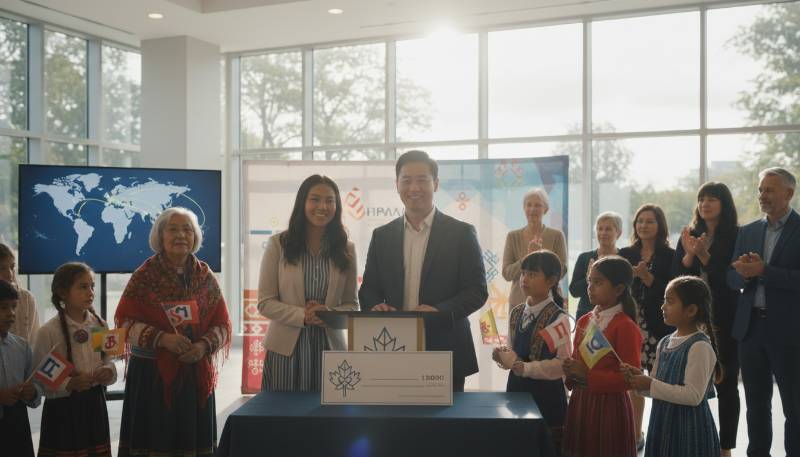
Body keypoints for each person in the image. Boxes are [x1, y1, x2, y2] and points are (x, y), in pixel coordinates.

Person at [359, 150, 488, 392]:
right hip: (392, 349)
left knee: (445, 418)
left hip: (446, 350)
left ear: (435, 184)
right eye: (406, 180)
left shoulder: (461, 233)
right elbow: (368, 290)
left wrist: (439, 311)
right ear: (397, 185)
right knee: (392, 415)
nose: (414, 188)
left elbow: (477, 291)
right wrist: (376, 306)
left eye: (422, 180)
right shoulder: (382, 236)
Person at [116, 207, 231, 457]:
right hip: (151, 377)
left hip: (194, 374)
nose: (181, 235)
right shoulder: (144, 276)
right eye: (173, 229)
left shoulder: (205, 276)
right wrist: (162, 339)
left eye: (187, 230)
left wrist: (202, 346)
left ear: (195, 237)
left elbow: (222, 325)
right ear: (160, 236)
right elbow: (124, 323)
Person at [258, 175, 358, 392]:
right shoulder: (278, 244)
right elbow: (265, 303)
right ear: (302, 202)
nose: (323, 206)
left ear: (337, 207)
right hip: (285, 352)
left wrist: (329, 314)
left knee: (329, 413)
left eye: (330, 201)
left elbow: (352, 306)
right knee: (283, 411)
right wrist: (303, 315)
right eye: (315, 199)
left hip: (331, 350)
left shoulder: (346, 249)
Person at [727, 167, 800, 457]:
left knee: (794, 407)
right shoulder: (748, 231)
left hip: (789, 331)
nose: (762, 195)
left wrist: (764, 271)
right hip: (751, 329)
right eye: (760, 190)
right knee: (756, 405)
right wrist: (743, 274)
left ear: (789, 193)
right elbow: (730, 278)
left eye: (769, 190)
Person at [671, 182, 740, 456]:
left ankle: (725, 448)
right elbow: (676, 278)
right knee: (687, 382)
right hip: (691, 319)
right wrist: (690, 255)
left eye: (712, 199)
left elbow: (731, 280)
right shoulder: (689, 234)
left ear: (724, 204)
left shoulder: (736, 236)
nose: (705, 204)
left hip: (724, 317)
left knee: (726, 384)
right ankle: (688, 442)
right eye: (701, 199)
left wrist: (704, 256)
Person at [623, 276, 722, 457]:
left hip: (688, 429)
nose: (663, 307)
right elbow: (656, 386)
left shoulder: (699, 346)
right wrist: (639, 381)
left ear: (691, 310)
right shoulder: (664, 342)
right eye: (664, 301)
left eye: (670, 301)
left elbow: (693, 396)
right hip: (662, 424)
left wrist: (650, 384)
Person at [561, 256, 642, 457]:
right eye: (590, 281)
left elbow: (630, 378)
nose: (590, 287)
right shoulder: (584, 320)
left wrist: (588, 375)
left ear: (619, 289)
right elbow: (577, 360)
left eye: (598, 282)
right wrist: (570, 370)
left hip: (609, 407)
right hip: (581, 401)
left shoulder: (625, 326)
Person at [34, 262, 116, 457]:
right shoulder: (48, 332)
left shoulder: (100, 324)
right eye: (83, 287)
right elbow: (40, 377)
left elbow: (109, 360)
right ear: (62, 292)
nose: (90, 292)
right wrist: (70, 383)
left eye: (92, 286)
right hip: (62, 410)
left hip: (95, 405)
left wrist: (108, 372)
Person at [493, 250, 570, 452]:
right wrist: (502, 356)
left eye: (533, 274)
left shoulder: (559, 318)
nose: (524, 279)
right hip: (517, 391)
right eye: (523, 273)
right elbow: (512, 351)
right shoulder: (516, 312)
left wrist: (525, 368)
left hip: (546, 397)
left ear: (551, 281)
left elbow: (563, 364)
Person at [618, 203, 675, 449]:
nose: (644, 225)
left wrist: (646, 277)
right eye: (640, 221)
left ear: (659, 225)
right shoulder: (625, 253)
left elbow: (672, 291)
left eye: (650, 221)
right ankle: (635, 435)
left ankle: (660, 438)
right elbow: (616, 287)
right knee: (632, 380)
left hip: (657, 326)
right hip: (630, 323)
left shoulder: (669, 255)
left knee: (658, 382)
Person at [503, 188, 568, 309]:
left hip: (550, 302)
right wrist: (528, 256)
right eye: (529, 205)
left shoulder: (557, 236)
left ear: (545, 209)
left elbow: (562, 270)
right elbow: (507, 274)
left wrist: (541, 258)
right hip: (519, 304)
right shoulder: (512, 236)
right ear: (524, 208)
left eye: (538, 205)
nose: (532, 209)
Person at [0, 279, 41, 457]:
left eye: (14, 307)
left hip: (18, 425)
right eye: (3, 307)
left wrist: (32, 392)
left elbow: (36, 387)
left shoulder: (22, 346)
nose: (11, 313)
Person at [570, 211, 623, 321]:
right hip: (586, 315)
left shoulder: (624, 258)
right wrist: (589, 278)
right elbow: (574, 291)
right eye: (600, 229)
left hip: (616, 315)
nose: (603, 233)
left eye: (608, 229)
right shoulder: (584, 257)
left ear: (618, 233)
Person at [0, 243, 39, 343]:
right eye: (2, 268)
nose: (9, 274)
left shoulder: (26, 298)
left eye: (12, 267)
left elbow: (34, 340)